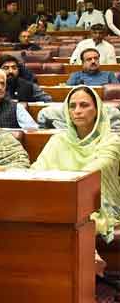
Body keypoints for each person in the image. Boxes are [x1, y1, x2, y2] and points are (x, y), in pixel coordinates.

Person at [31, 86, 120, 245]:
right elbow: (37, 170)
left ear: (97, 109)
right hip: (60, 198)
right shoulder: (58, 140)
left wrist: (61, 184)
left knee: (80, 215)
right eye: (72, 106)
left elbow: (93, 173)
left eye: (84, 105)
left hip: (97, 203)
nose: (77, 111)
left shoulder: (111, 140)